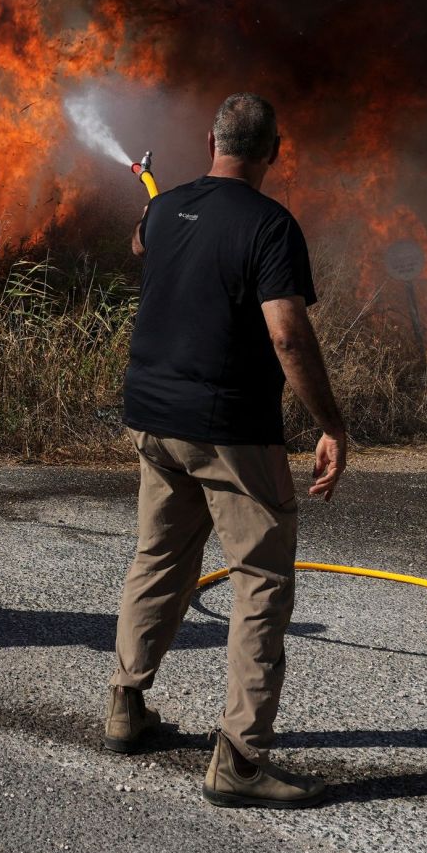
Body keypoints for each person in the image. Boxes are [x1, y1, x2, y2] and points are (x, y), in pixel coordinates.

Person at [105, 92, 350, 807]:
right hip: (229, 431)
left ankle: (126, 704)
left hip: (152, 419)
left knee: (159, 558)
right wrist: (331, 424)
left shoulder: (165, 206)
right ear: (276, 150)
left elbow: (143, 247)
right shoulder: (271, 225)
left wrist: (163, 206)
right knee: (261, 583)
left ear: (211, 138)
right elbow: (287, 334)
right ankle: (239, 761)